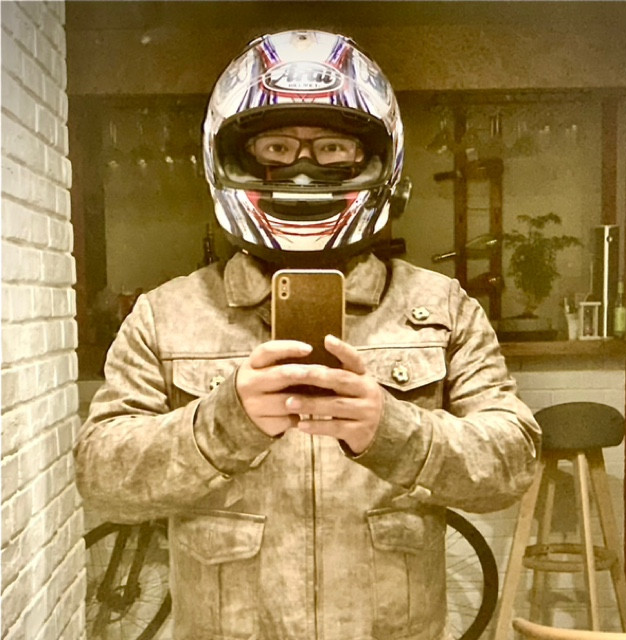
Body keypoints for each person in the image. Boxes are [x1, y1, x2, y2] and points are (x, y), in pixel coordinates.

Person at [75, 30, 540, 640]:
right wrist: (224, 423)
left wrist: (394, 430)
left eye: (331, 148)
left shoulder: (439, 307)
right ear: (234, 159)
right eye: (276, 146)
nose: (301, 170)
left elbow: (512, 463)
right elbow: (102, 477)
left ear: (376, 160)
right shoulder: (169, 314)